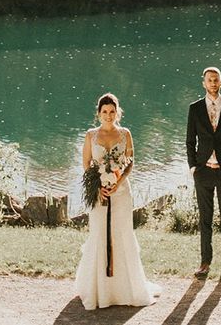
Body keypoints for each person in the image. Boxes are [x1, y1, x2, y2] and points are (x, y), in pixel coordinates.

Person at [74, 92, 160, 311]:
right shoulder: (90, 135)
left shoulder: (125, 134)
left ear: (117, 112)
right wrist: (99, 185)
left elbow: (130, 163)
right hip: (99, 193)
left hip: (121, 193)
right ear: (98, 113)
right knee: (100, 233)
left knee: (122, 233)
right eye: (105, 112)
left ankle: (126, 289)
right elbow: (86, 164)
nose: (109, 115)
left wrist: (118, 182)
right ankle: (100, 291)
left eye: (112, 112)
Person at [186, 66, 221, 280]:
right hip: (203, 171)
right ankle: (204, 263)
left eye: (216, 80)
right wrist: (193, 167)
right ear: (204, 83)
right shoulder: (195, 108)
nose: (213, 83)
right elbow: (190, 141)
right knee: (205, 219)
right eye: (209, 80)